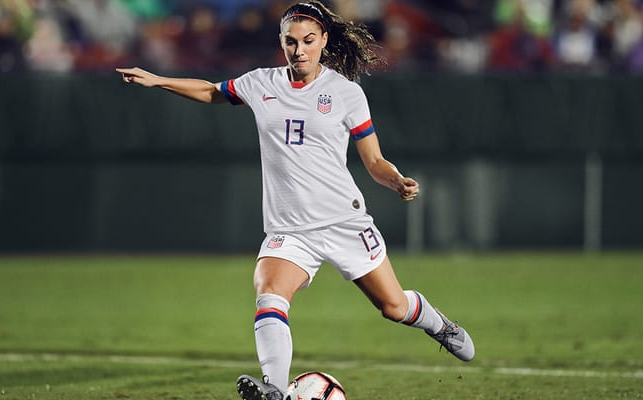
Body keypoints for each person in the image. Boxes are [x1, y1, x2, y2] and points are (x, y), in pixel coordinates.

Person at [116, 2, 474, 399]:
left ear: (323, 40)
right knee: (269, 294)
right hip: (289, 228)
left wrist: (396, 181)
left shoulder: (345, 93)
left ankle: (439, 325)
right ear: (281, 42)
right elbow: (209, 91)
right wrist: (158, 80)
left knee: (393, 308)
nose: (299, 50)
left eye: (308, 41)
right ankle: (274, 389)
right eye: (291, 41)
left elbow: (373, 160)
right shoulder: (261, 83)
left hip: (343, 221)